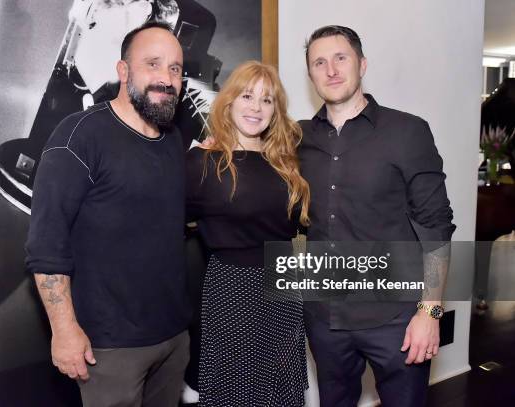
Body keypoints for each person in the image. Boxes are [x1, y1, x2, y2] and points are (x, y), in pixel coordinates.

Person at [25, 21, 191, 406]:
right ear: (123, 71)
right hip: (109, 349)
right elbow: (46, 245)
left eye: (175, 68)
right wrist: (64, 331)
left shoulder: (172, 139)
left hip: (172, 338)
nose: (166, 79)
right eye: (153, 64)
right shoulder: (78, 137)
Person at [299, 25, 456, 406]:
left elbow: (436, 228)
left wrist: (431, 311)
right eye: (319, 62)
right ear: (311, 74)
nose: (331, 69)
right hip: (326, 317)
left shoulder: (407, 132)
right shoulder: (297, 138)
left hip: (397, 320)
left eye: (341, 58)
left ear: (362, 64)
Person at [186, 60, 311, 406]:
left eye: (267, 100)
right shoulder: (203, 163)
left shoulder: (286, 163)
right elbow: (165, 225)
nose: (256, 107)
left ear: (275, 110)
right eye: (247, 95)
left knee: (282, 392)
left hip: (284, 286)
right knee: (236, 391)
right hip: (232, 289)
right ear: (229, 102)